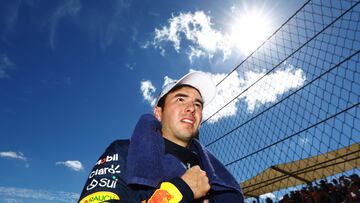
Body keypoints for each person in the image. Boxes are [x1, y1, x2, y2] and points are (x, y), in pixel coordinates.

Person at [78, 71, 244, 203]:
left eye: (198, 104)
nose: (191, 108)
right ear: (158, 112)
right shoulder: (125, 152)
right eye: (180, 99)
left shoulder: (213, 175)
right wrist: (179, 191)